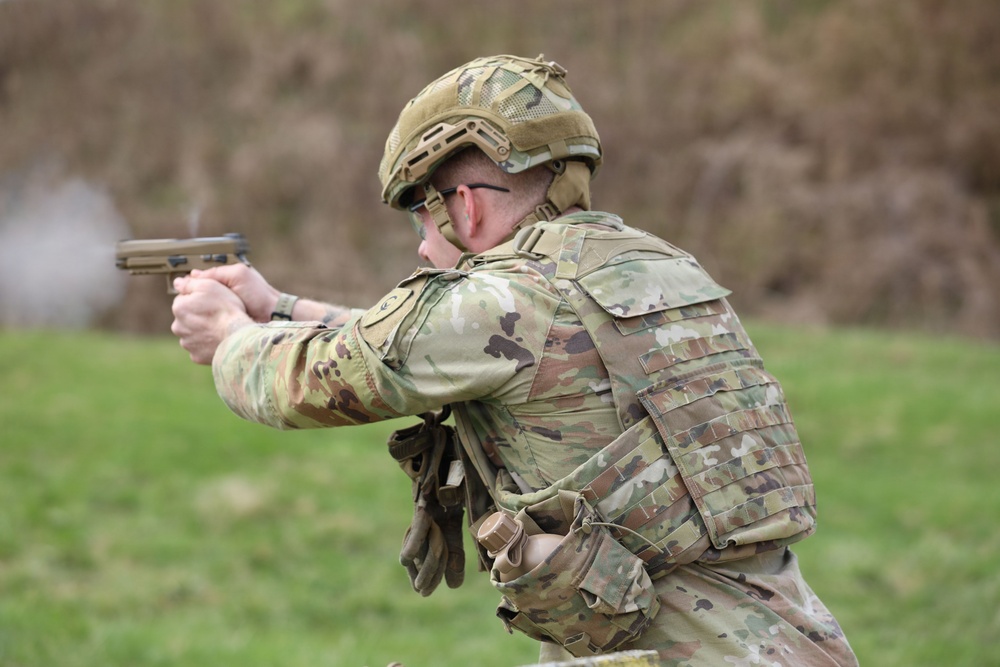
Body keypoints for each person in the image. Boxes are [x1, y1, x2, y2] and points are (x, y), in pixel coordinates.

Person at [171, 54, 858, 666]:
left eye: (421, 216)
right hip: (791, 638)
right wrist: (278, 307)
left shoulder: (505, 297)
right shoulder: (657, 267)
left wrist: (229, 336)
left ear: (463, 207)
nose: (420, 245)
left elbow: (305, 384)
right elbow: (440, 346)